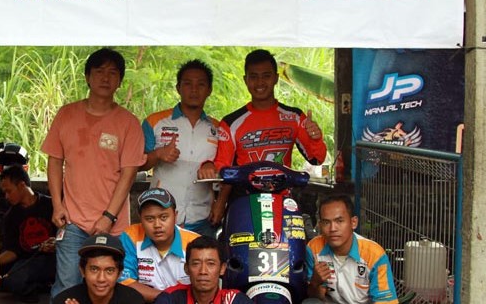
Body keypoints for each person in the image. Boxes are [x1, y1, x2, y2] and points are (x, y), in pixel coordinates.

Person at [42, 47, 146, 298]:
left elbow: (128, 175)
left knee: (109, 288)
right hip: (72, 221)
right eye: (99, 71)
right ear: (87, 77)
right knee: (67, 286)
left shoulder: (128, 123)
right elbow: (54, 161)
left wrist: (108, 217)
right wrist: (57, 205)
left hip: (114, 225)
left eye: (113, 72)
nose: (105, 78)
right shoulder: (67, 115)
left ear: (120, 81)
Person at [197, 49, 327, 223]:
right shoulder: (231, 122)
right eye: (253, 77)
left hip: (283, 201)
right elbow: (223, 167)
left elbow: (317, 159)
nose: (260, 82)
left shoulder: (294, 117)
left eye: (266, 76)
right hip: (244, 201)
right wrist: (217, 193)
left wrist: (315, 138)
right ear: (245, 80)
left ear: (276, 78)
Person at [141, 60, 220, 237]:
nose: (194, 90)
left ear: (209, 90)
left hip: (202, 217)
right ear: (178, 88)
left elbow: (226, 167)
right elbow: (137, 164)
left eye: (201, 84)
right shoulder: (155, 122)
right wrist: (158, 154)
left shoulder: (218, 128)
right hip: (162, 218)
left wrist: (212, 167)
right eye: (188, 84)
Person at [303, 195, 398, 304]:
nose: (332, 229)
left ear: (353, 223)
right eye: (326, 222)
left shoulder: (374, 254)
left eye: (339, 221)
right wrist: (315, 282)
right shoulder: (314, 248)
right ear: (320, 225)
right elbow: (315, 295)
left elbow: (385, 301)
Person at [119, 188, 200, 302]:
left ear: (175, 216)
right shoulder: (131, 236)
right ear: (140, 218)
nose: (157, 225)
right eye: (149, 219)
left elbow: (206, 287)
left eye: (163, 217)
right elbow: (124, 282)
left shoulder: (195, 242)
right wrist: (168, 300)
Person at [0, 165, 57, 303]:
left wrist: (57, 243)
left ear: (22, 185)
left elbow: (66, 232)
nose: (6, 197)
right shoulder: (10, 216)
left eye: (9, 191)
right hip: (28, 262)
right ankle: (38, 289)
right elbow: (12, 251)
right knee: (11, 280)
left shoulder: (51, 205)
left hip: (54, 258)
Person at [154, 236, 251, 304]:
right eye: (196, 264)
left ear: (222, 268)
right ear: (186, 268)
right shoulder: (170, 299)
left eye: (211, 264)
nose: (203, 271)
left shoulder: (234, 300)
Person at [52, 234, 145, 304]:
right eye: (94, 269)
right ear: (82, 271)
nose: (101, 279)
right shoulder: (65, 300)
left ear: (119, 274)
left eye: (109, 271)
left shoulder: (133, 300)